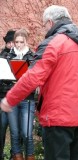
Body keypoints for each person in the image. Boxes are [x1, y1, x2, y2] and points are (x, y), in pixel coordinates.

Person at [0, 5, 78, 160]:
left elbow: (33, 76)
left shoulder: (53, 43)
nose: (44, 30)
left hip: (58, 115)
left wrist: (10, 99)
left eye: (44, 26)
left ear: (50, 22)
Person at [6, 28, 36, 160]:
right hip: (12, 97)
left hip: (27, 98)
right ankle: (17, 156)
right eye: (16, 42)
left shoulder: (32, 56)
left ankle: (30, 156)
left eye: (21, 42)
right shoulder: (7, 56)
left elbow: (35, 78)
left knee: (27, 133)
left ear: (26, 42)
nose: (18, 45)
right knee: (14, 132)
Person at [0, 29, 15, 160]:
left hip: (15, 95)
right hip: (2, 94)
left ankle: (14, 154)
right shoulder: (1, 56)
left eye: (12, 42)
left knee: (16, 130)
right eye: (8, 42)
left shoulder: (17, 56)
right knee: (1, 127)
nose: (10, 45)